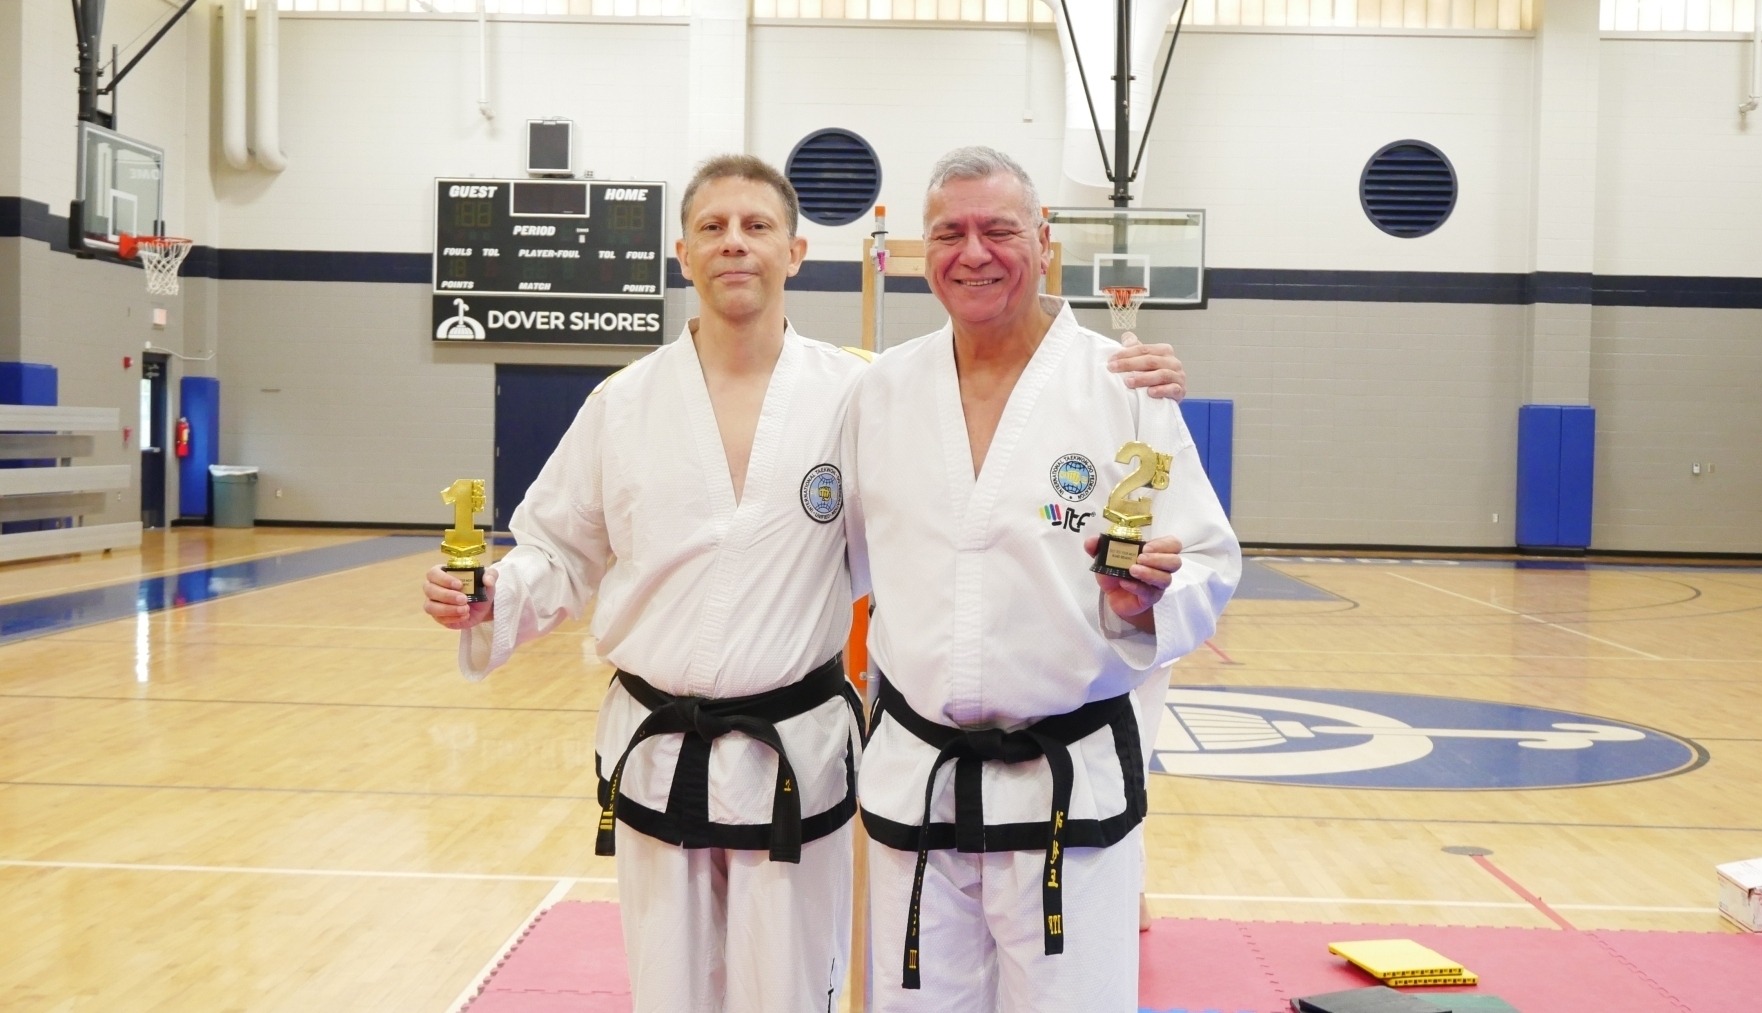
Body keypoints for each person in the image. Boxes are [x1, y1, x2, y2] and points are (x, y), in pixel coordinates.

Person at [421, 154, 1193, 1013]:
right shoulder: (623, 402)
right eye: (713, 227)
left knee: (793, 994)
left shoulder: (861, 392)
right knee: (667, 994)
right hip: (659, 744)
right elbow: (559, 546)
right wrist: (496, 594)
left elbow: (972, 484)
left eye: (757, 226)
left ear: (794, 252)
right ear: (682, 252)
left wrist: (1121, 376)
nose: (734, 243)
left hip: (795, 752)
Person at [844, 146, 1241, 1013]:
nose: (973, 253)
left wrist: (1144, 605)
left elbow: (1211, 559)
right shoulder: (882, 391)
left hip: (1069, 787)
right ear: (924, 248)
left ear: (1045, 239)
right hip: (921, 780)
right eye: (949, 233)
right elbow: (828, 549)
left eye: (999, 229)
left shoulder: (1121, 385)